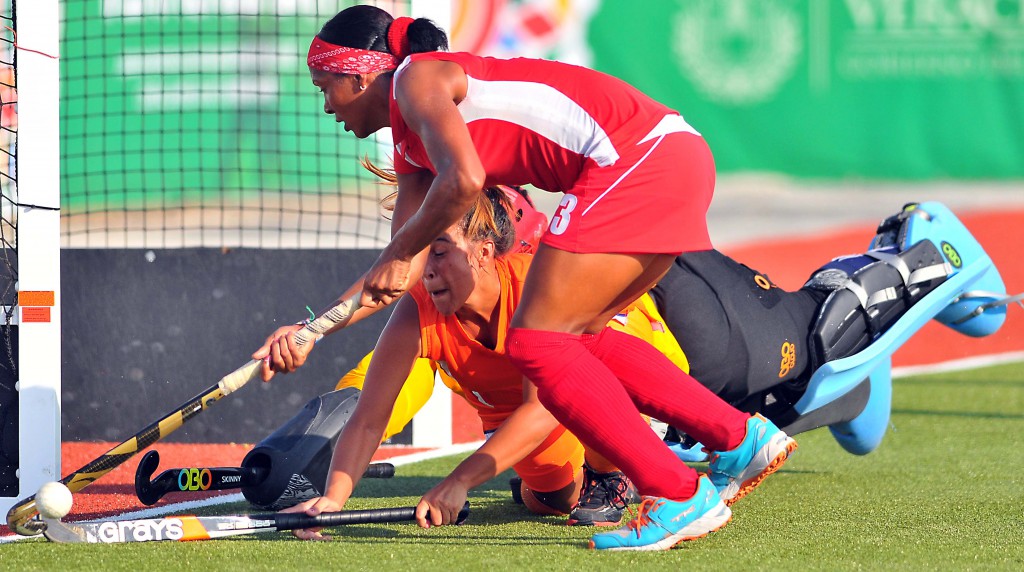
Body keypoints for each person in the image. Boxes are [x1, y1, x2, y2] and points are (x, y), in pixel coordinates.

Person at [258, 4, 797, 550]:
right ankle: (738, 438)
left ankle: (678, 493)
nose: (325, 105)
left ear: (360, 74)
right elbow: (398, 274)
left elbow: (465, 181)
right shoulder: (411, 147)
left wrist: (401, 250)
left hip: (635, 161)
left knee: (535, 344)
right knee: (580, 342)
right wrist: (312, 331)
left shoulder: (413, 79)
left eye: (325, 86)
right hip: (669, 155)